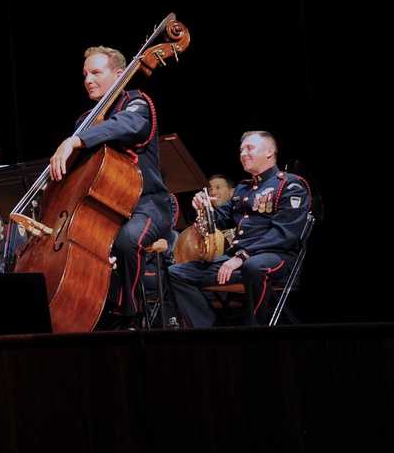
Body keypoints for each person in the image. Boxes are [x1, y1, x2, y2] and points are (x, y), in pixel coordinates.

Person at [48, 45, 174, 329]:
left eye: (96, 72)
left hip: (146, 206)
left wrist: (74, 141)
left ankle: (130, 315)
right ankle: (85, 312)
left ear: (119, 74)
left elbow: (126, 126)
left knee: (127, 240)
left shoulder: (136, 102)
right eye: (84, 74)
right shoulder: (85, 121)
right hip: (104, 210)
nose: (88, 80)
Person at [168, 131, 311, 327]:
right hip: (236, 259)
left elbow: (284, 235)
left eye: (249, 148)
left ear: (269, 152)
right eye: (241, 150)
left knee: (254, 267)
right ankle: (210, 330)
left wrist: (243, 255)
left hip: (277, 257)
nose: (243, 153)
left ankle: (253, 332)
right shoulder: (244, 189)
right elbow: (215, 221)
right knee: (174, 273)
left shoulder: (290, 185)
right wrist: (202, 210)